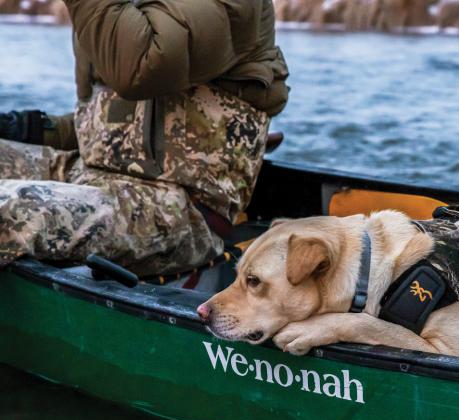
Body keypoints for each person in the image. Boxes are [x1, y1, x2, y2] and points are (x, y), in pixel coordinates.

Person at [0, 0, 289, 276]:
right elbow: (114, 125)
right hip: (92, 179)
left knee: (9, 209)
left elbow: (138, 68)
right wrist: (28, 128)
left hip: (178, 213)